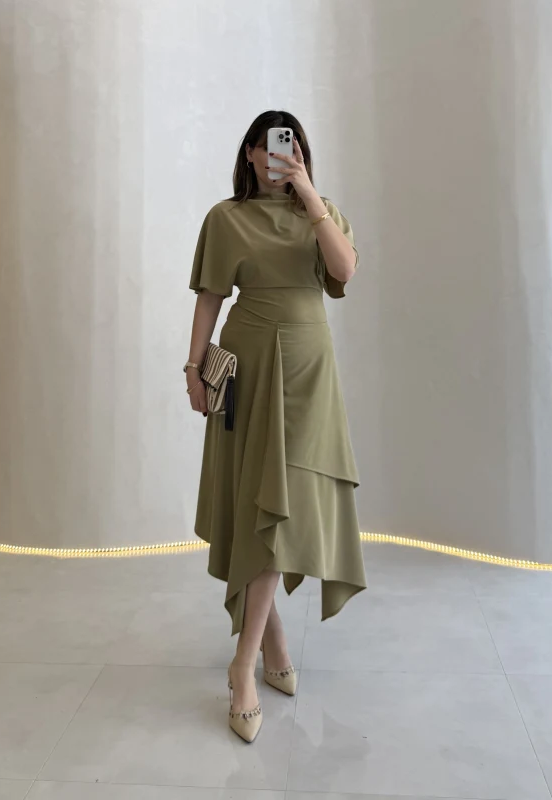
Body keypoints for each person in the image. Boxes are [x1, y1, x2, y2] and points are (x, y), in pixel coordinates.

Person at [184, 110, 367, 743]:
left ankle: (257, 648)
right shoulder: (225, 217)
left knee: (282, 505)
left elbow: (344, 270)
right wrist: (193, 368)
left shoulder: (322, 211)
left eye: (288, 149)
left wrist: (309, 196)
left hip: (310, 375)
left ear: (301, 155)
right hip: (249, 364)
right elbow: (210, 296)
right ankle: (253, 659)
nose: (276, 158)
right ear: (250, 153)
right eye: (266, 148)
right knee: (257, 502)